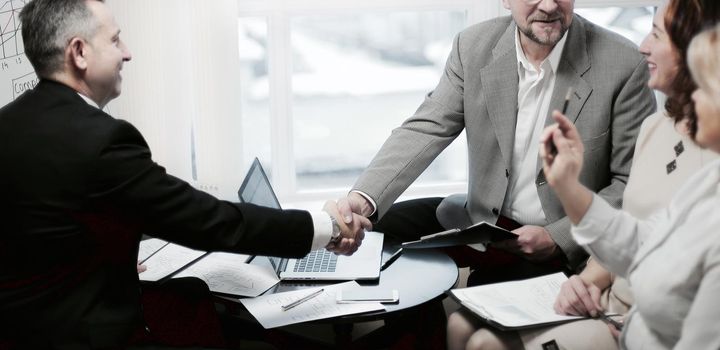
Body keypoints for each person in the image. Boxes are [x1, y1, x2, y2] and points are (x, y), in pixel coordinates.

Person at [0, 0, 370, 348]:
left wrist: (112, 247)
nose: (127, 52)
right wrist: (328, 228)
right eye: (114, 40)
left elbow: (44, 223)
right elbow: (209, 221)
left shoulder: (10, 123)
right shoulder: (101, 140)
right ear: (79, 52)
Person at [446, 0, 720, 348]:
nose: (642, 47)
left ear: (703, 57)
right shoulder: (658, 127)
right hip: (614, 304)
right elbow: (639, 238)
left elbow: (682, 310)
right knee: (463, 327)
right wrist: (589, 278)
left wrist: (629, 321)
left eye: (656, 34)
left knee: (485, 344)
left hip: (639, 322)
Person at [338, 0, 656, 285]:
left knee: (478, 312)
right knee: (377, 231)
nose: (548, 6)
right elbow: (426, 127)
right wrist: (362, 200)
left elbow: (631, 181)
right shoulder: (472, 45)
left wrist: (558, 238)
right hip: (484, 222)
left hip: (555, 241)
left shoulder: (624, 64)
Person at [534, 21, 720, 349]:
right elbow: (642, 242)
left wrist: (630, 327)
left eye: (704, 86)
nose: (694, 98)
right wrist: (567, 185)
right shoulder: (708, 182)